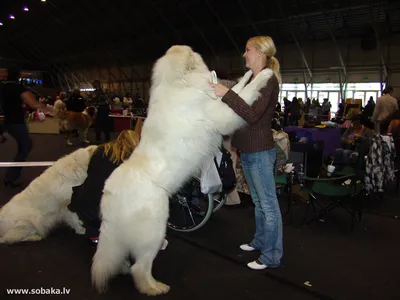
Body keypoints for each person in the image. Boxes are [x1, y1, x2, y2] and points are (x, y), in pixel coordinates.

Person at [210, 35, 283, 270]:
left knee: (268, 204)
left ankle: (271, 255)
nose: (244, 54)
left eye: (247, 49)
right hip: (250, 149)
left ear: (260, 53)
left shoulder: (268, 81)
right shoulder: (252, 79)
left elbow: (252, 115)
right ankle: (261, 242)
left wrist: (227, 94)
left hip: (260, 150)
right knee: (260, 203)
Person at [68, 129, 169, 250]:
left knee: (91, 190)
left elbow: (91, 173)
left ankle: (94, 235)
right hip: (111, 211)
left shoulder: (100, 150)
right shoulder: (133, 159)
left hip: (85, 206)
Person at [0, 67, 51, 187]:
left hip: (5, 120)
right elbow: (33, 103)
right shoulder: (19, 88)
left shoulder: (2, 87)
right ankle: (11, 177)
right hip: (17, 122)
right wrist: (49, 109)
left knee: (25, 145)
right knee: (25, 147)